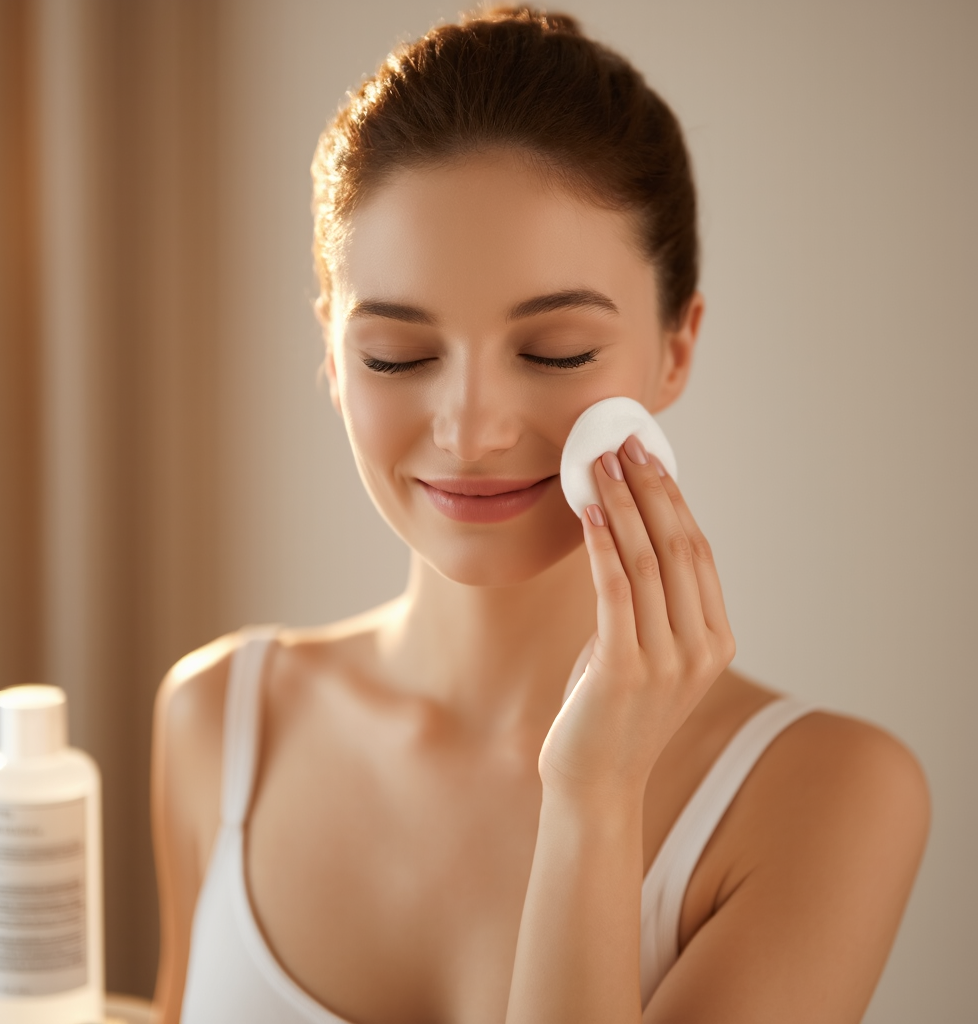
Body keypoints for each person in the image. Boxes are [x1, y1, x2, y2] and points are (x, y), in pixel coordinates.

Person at [150, 7, 930, 1022]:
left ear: (675, 348)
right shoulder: (218, 719)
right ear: (333, 358)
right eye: (396, 354)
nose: (470, 430)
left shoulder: (826, 797)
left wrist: (596, 794)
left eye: (555, 350)